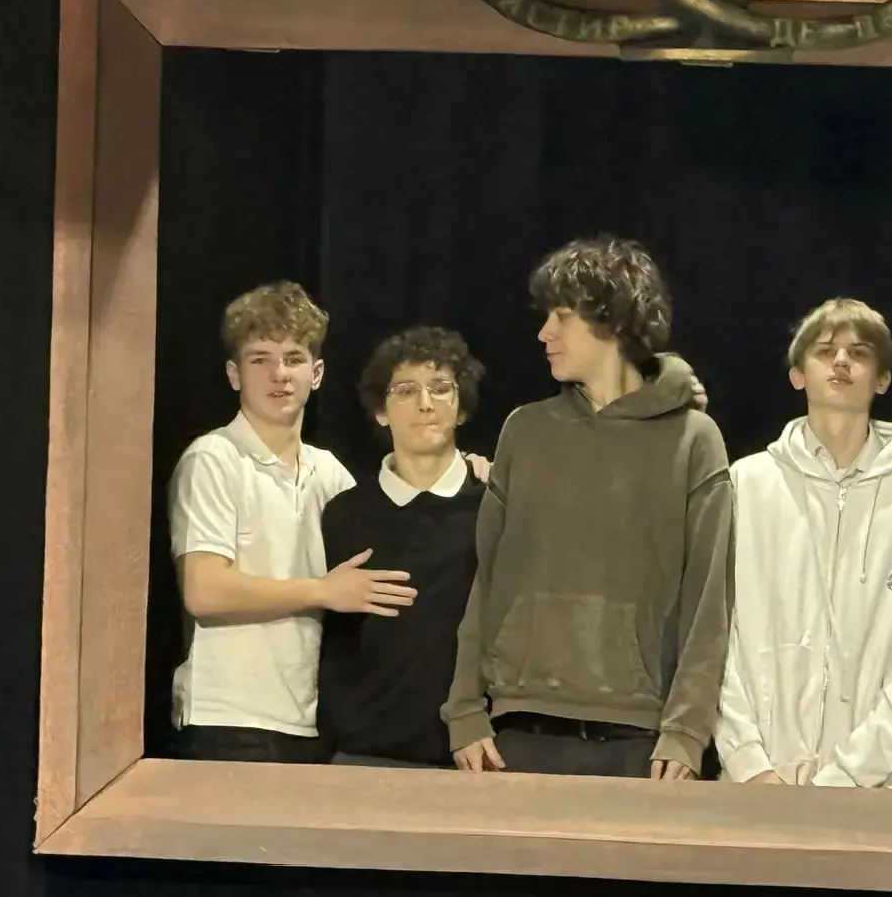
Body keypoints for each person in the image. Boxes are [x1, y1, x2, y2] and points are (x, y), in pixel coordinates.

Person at [443, 236, 734, 780]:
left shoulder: (694, 440)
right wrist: (464, 709)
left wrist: (687, 731)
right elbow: (488, 579)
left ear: (613, 320)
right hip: (517, 733)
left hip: (642, 741)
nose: (543, 333)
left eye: (561, 316)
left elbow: (709, 601)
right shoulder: (525, 431)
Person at [165, 281, 417, 763]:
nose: (279, 374)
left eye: (294, 359)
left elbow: (392, 531)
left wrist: (463, 472)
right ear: (234, 374)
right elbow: (204, 590)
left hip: (310, 719)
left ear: (316, 374)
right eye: (260, 359)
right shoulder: (214, 458)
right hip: (228, 718)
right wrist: (322, 591)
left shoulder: (328, 472)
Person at [717, 299, 892, 788]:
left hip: (882, 786)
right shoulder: (749, 481)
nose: (842, 361)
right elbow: (719, 629)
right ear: (798, 375)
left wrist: (851, 775)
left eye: (859, 352)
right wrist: (748, 761)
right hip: (760, 783)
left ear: (882, 379)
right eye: (825, 351)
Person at [317, 327, 488, 769]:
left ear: (461, 407)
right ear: (381, 410)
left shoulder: (495, 509)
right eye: (406, 391)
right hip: (362, 756)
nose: (425, 403)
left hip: (474, 757)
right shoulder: (343, 514)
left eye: (440, 388)